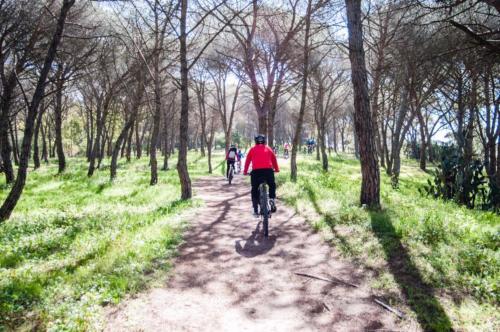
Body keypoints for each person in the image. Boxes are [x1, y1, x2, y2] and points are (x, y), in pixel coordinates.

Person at [243, 134, 279, 216]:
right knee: (272, 185)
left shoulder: (252, 149)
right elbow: (274, 160)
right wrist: (276, 169)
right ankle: (272, 199)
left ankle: (255, 210)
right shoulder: (268, 149)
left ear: (255, 141)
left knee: (254, 190)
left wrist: (245, 171)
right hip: (268, 171)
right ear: (264, 141)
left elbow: (247, 161)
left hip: (256, 172)